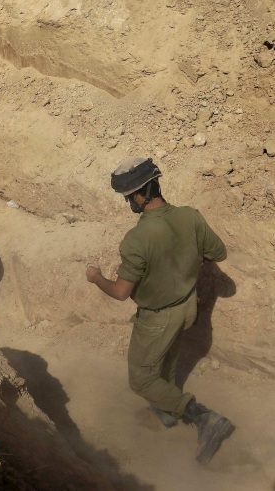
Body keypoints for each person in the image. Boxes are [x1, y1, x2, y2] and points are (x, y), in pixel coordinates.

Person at [85, 157, 232, 465]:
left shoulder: (137, 239)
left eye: (128, 197)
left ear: (139, 195)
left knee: (140, 379)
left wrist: (96, 277)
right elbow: (217, 252)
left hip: (157, 316)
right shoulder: (190, 216)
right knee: (168, 357)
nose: (129, 202)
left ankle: (204, 417)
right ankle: (166, 407)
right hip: (187, 307)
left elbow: (121, 292)